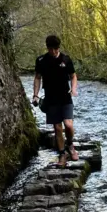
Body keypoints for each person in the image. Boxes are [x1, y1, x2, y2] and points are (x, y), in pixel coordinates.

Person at [33, 34, 79, 167]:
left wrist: (73, 88)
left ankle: (70, 144)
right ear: (47, 48)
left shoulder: (66, 59)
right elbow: (37, 77)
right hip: (50, 98)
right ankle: (62, 154)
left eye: (56, 49)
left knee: (68, 125)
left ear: (59, 47)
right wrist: (35, 95)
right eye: (50, 49)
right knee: (58, 127)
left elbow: (73, 76)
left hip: (65, 96)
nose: (53, 52)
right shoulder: (41, 60)